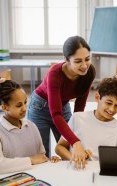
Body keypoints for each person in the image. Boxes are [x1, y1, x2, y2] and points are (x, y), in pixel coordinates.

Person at [27, 36, 96, 167]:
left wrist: (76, 141)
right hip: (39, 108)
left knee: (69, 147)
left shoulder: (89, 72)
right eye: (77, 61)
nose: (84, 65)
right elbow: (56, 115)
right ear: (66, 59)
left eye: (87, 59)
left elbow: (79, 110)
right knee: (41, 154)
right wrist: (76, 142)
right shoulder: (55, 73)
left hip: (62, 106)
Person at [0, 75, 60, 175]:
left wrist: (49, 160)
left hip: (33, 179)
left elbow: (40, 156)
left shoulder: (32, 126)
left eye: (25, 103)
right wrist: (31, 160)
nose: (24, 108)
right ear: (5, 108)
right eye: (19, 105)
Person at [55, 77, 117, 167]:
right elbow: (59, 147)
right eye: (108, 103)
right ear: (97, 97)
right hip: (76, 171)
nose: (112, 109)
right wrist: (76, 159)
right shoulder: (77, 118)